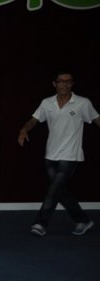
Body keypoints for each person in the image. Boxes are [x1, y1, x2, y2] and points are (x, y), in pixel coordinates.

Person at [18, 69, 100, 236]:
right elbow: (34, 120)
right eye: (61, 81)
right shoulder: (47, 103)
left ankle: (40, 223)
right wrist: (24, 129)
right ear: (55, 84)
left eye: (68, 81)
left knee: (53, 190)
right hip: (50, 154)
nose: (65, 84)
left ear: (72, 84)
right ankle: (83, 220)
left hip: (70, 155)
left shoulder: (82, 103)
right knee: (59, 191)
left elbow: (97, 120)